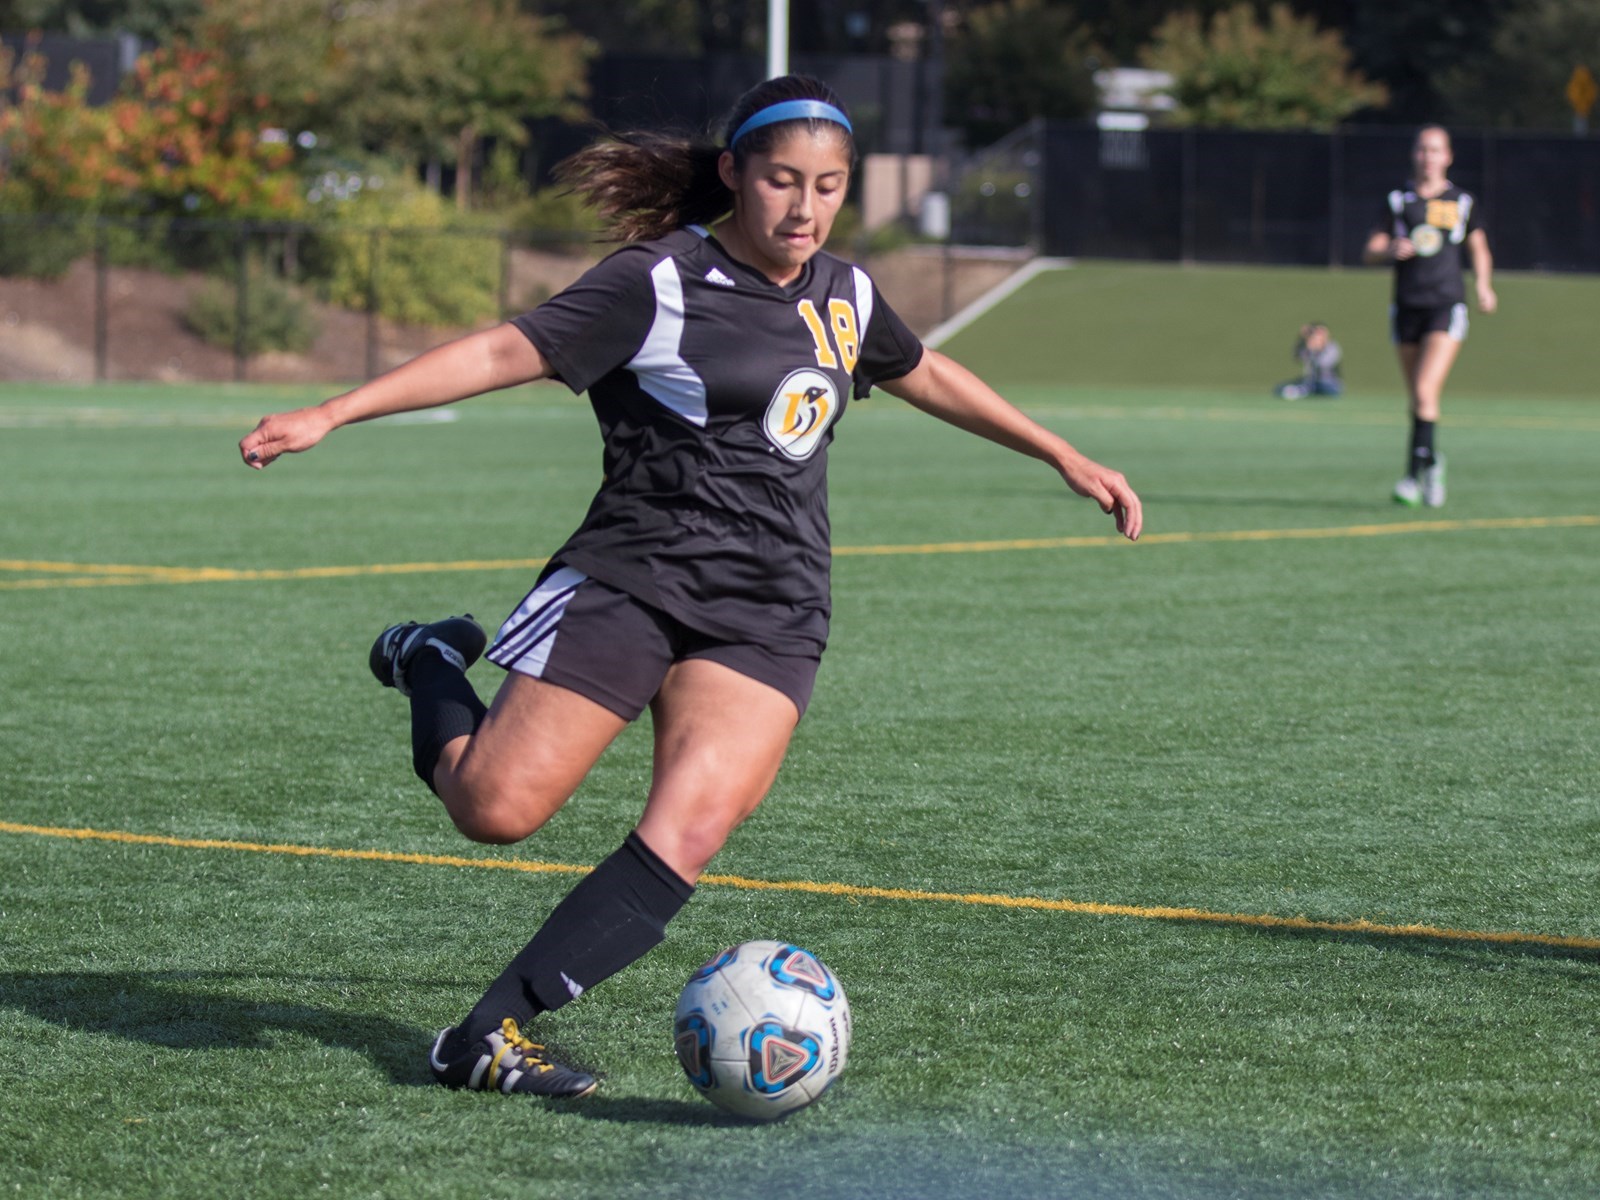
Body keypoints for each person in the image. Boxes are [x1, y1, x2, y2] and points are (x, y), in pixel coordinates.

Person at [237, 75, 1141, 1100]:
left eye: (830, 187)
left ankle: (485, 1034)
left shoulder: (845, 293)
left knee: (690, 829)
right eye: (782, 182)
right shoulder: (656, 281)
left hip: (771, 611)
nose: (804, 209)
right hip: (635, 581)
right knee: (493, 808)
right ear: (733, 174)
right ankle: (432, 659)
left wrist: (1056, 451)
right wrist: (334, 411)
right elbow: (507, 348)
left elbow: (920, 366)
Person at [1362, 124, 1496, 507]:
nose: (1428, 156)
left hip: (1445, 304)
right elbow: (1369, 249)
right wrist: (1390, 248)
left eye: (1435, 150)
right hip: (1406, 307)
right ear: (1414, 154)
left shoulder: (1461, 201)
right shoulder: (1398, 200)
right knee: (1418, 401)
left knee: (1425, 392)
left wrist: (1484, 286)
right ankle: (1432, 462)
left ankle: (1410, 478)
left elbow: (1479, 248)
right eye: (1422, 149)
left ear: (1448, 156)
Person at [1273, 322, 1343, 400]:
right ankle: (1299, 391)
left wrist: (1316, 351)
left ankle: (1301, 391)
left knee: (1318, 388)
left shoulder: (1332, 347)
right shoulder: (1308, 347)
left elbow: (1322, 365)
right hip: (1309, 381)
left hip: (1329, 384)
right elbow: (1296, 356)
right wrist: (1302, 338)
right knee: (1279, 388)